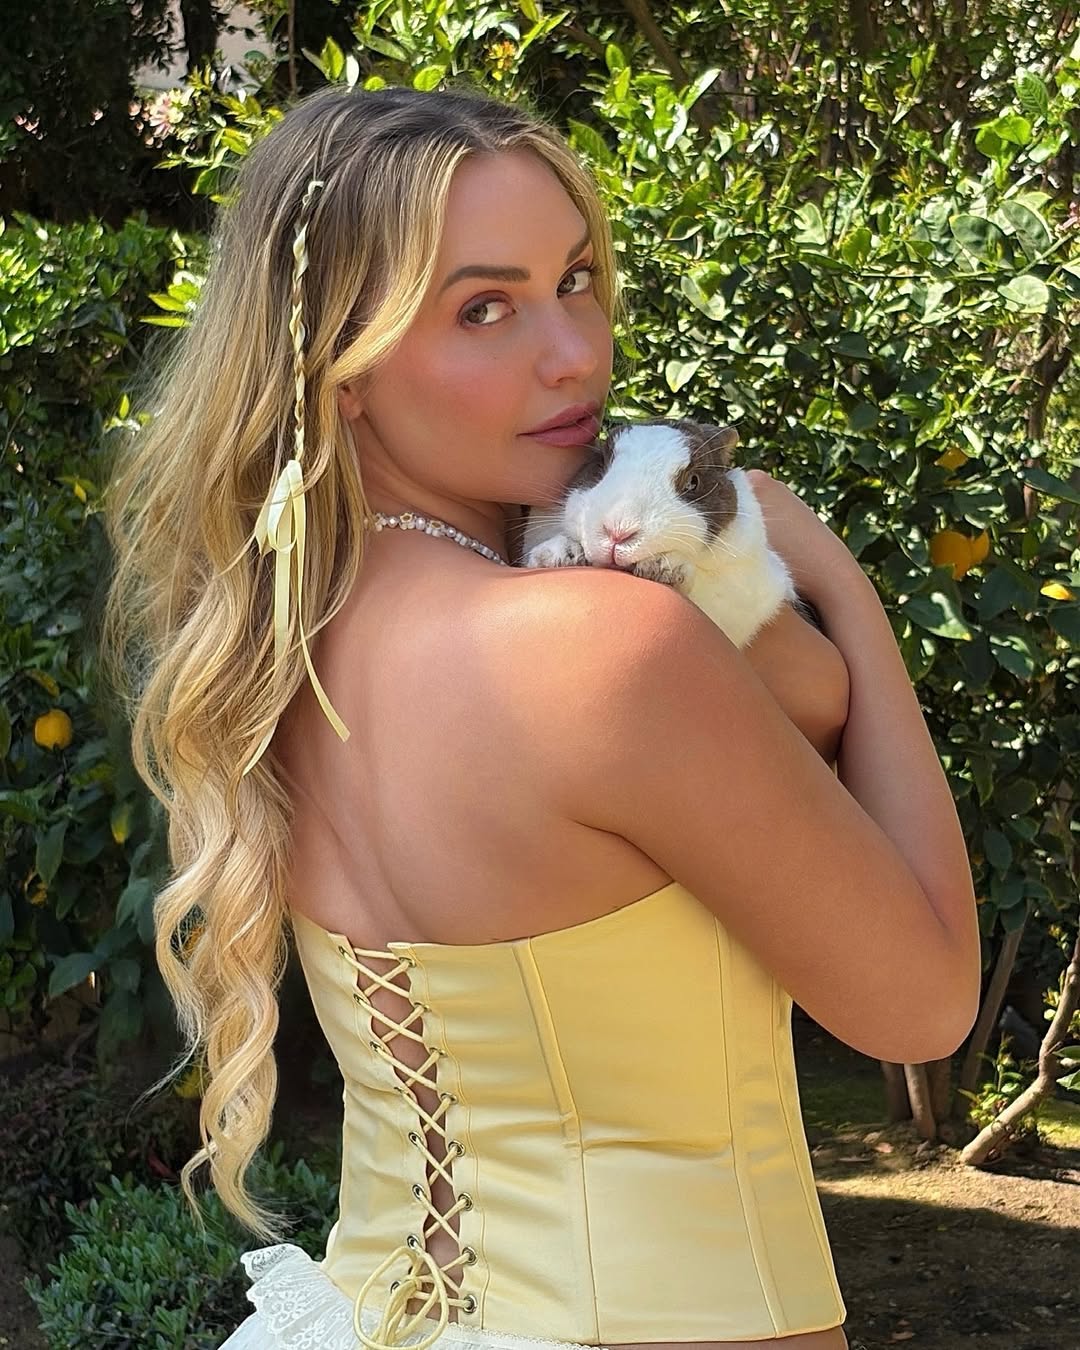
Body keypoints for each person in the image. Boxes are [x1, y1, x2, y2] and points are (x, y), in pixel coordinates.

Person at [100, 81, 981, 1350]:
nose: (575, 354)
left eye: (576, 281)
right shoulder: (604, 647)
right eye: (484, 307)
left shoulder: (272, 648)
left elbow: (792, 703)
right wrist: (843, 585)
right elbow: (926, 1004)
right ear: (339, 368)